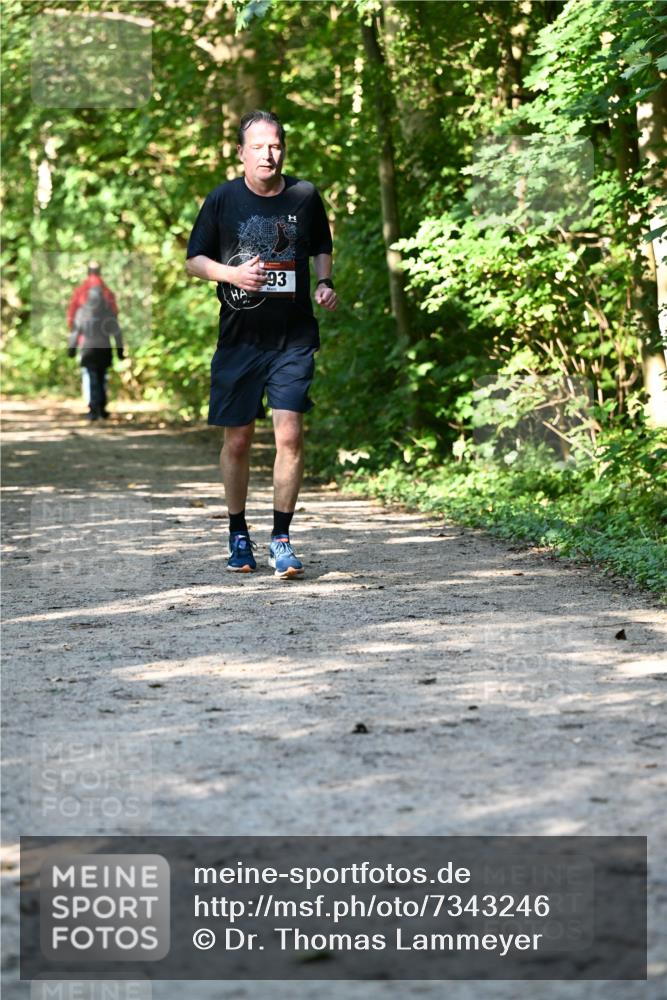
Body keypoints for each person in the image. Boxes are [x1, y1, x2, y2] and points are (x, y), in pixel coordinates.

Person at [185, 110, 337, 579]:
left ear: (283, 150)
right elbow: (194, 261)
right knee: (239, 439)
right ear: (241, 153)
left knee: (290, 433)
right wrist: (232, 274)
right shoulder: (222, 199)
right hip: (239, 340)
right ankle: (237, 534)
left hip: (292, 337)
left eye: (274, 146)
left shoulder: (304, 196)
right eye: (258, 147)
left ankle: (282, 540)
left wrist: (325, 282)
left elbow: (321, 246)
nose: (267, 154)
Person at [66, 262, 119, 409]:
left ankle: (92, 405)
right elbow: (115, 319)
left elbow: (73, 318)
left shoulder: (80, 291)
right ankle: (100, 406)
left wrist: (72, 344)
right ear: (100, 271)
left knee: (90, 374)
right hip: (104, 341)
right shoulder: (107, 292)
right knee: (102, 375)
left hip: (86, 341)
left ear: (87, 272)